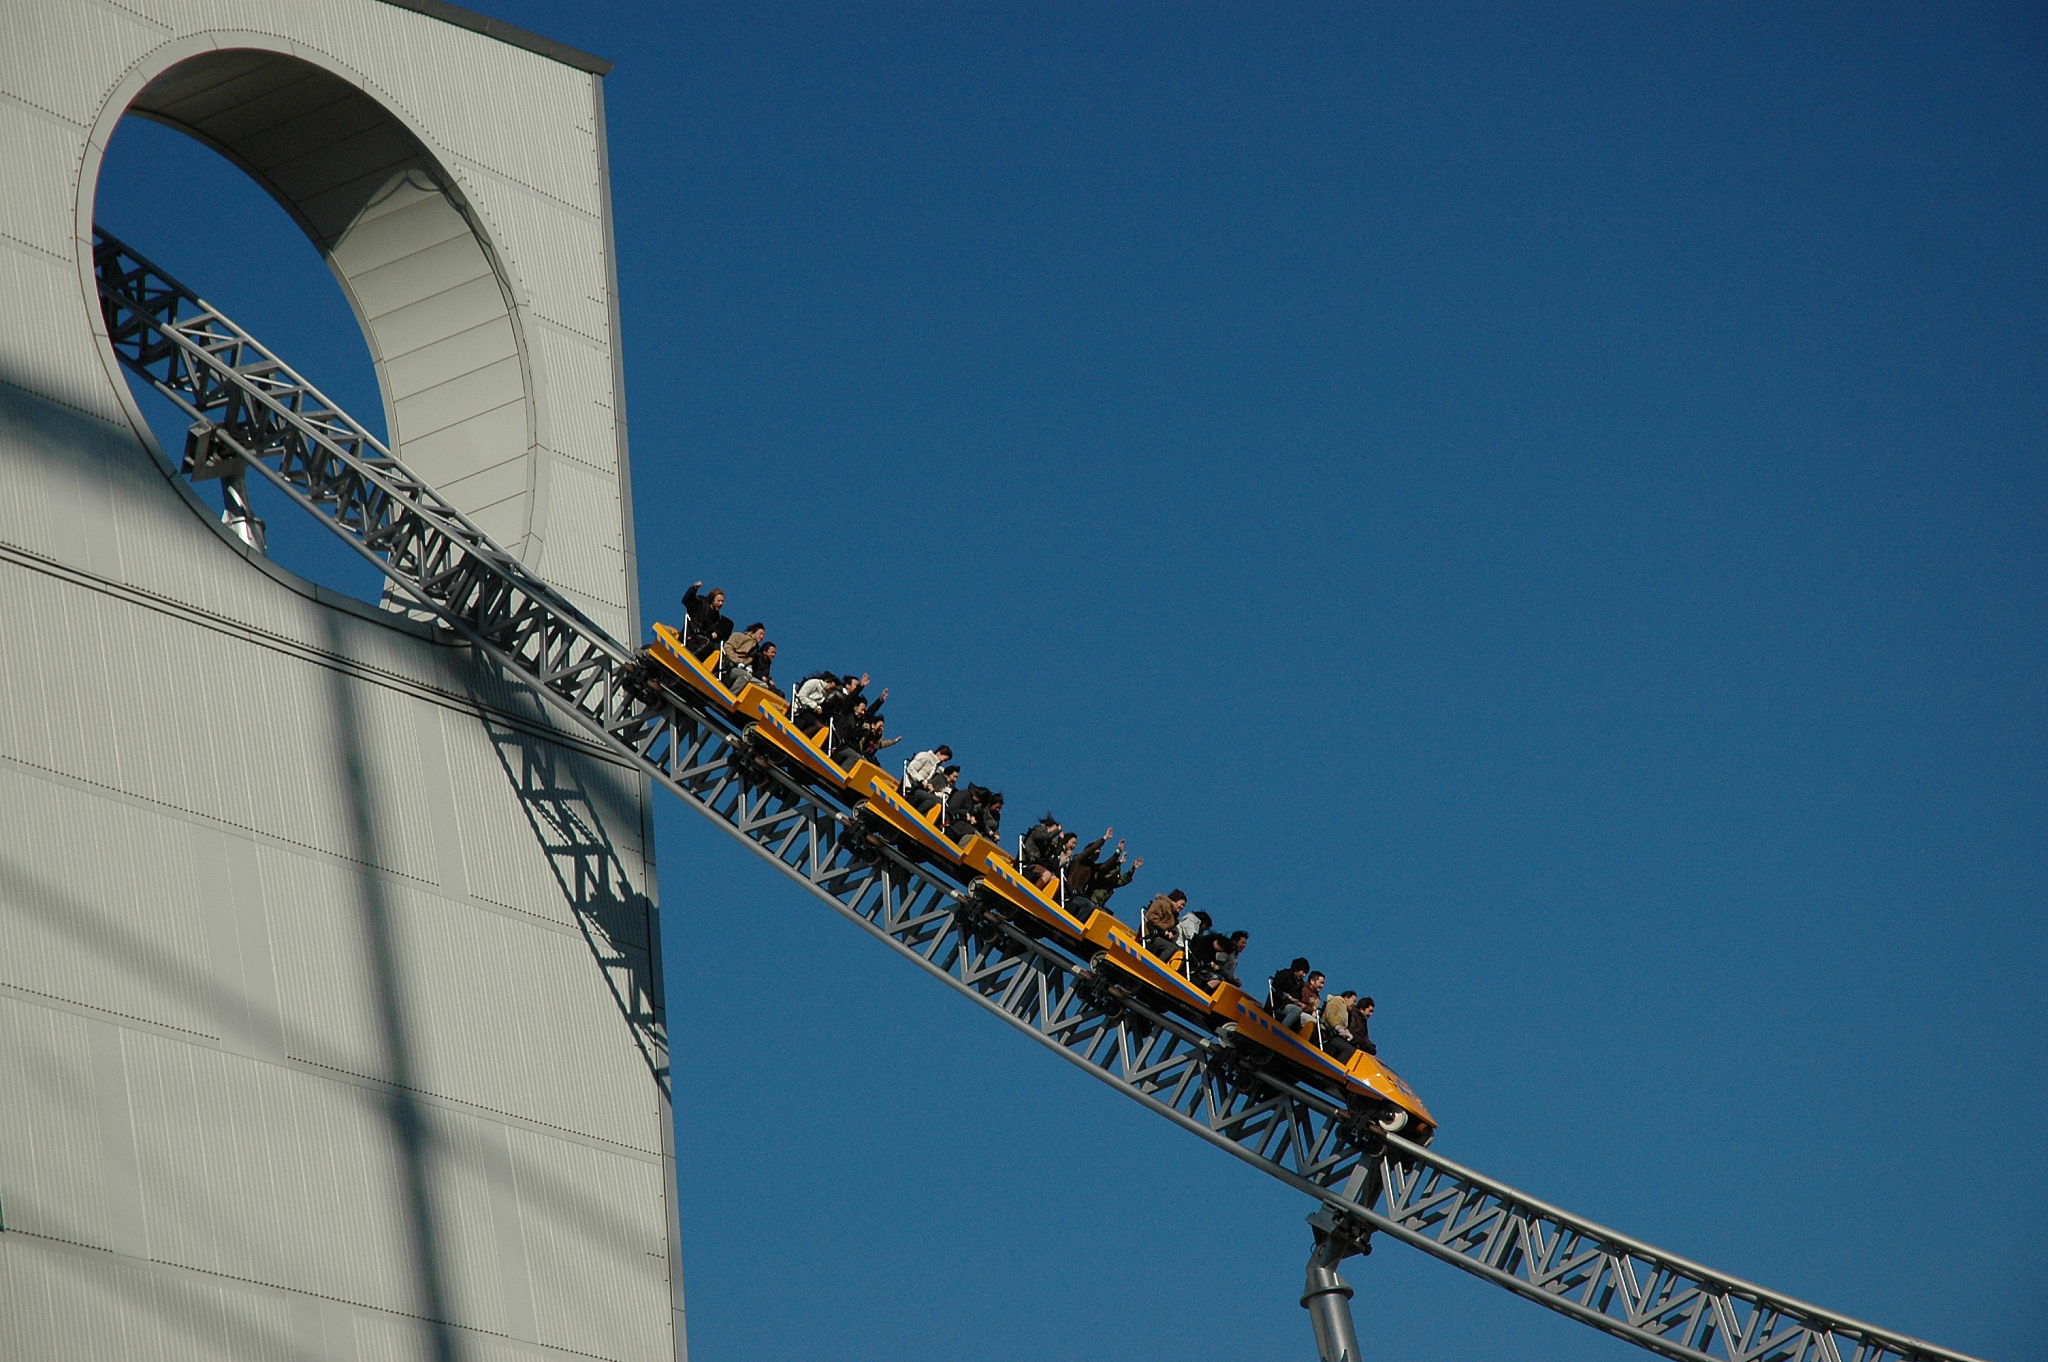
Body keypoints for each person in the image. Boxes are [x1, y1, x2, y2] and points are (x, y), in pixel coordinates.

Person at [682, 582, 732, 660]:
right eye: (718, 601)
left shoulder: (716, 617)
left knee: (714, 646)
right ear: (712, 600)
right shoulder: (701, 602)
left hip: (703, 637)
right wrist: (694, 588)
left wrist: (716, 634)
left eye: (722, 601)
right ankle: (689, 659)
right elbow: (687, 601)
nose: (720, 603)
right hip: (692, 634)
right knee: (707, 643)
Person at [1087, 842, 1142, 910]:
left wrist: (1133, 869)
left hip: (1098, 905)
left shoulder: (1110, 883)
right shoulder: (1099, 875)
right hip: (1090, 901)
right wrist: (1118, 853)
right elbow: (1106, 867)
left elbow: (1121, 880)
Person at [1142, 889, 1187, 957]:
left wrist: (1172, 932)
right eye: (1181, 904)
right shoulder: (1161, 904)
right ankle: (1156, 966)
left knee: (1178, 951)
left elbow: (1172, 927)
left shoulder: (1174, 915)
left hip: (1162, 938)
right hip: (1151, 936)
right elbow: (1151, 918)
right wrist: (1164, 930)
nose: (1182, 907)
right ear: (1175, 900)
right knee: (1171, 948)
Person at [721, 622, 766, 686]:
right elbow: (727, 647)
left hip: (743, 670)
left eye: (763, 635)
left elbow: (749, 662)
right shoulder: (738, 636)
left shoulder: (756, 650)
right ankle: (731, 693)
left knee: (763, 685)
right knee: (745, 676)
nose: (762, 637)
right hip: (730, 667)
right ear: (753, 631)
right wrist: (737, 661)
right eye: (760, 634)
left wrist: (749, 667)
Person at [1322, 989, 1362, 1061]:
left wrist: (1346, 1032)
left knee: (1352, 1049)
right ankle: (1334, 1067)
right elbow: (1330, 1016)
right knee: (1349, 1049)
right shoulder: (1337, 1001)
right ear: (1346, 998)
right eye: (1354, 1001)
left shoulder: (1346, 1012)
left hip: (1336, 1035)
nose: (1354, 1004)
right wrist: (1339, 1028)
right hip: (1329, 1033)